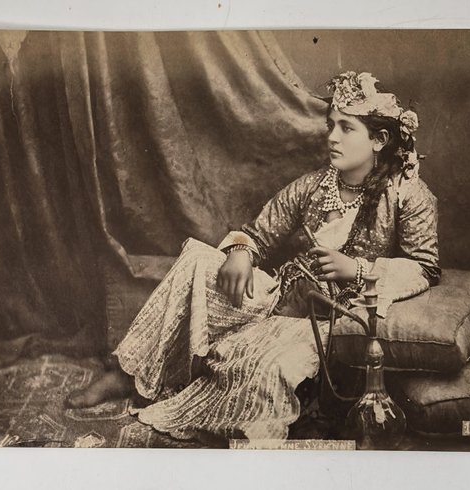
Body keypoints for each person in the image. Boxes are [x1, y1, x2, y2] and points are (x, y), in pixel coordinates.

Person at [64, 71, 440, 443]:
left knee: (265, 366)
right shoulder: (314, 185)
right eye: (331, 126)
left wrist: (357, 269)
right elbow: (258, 232)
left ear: (379, 140)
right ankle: (127, 375)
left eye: (346, 128)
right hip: (279, 296)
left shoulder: (407, 195)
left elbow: (424, 267)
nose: (332, 137)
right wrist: (242, 252)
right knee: (197, 258)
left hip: (328, 320)